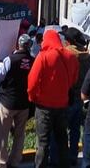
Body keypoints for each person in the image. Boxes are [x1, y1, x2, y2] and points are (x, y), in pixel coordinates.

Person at [27, 29, 78, 168]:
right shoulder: (71, 56)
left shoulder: (43, 56)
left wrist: (32, 97)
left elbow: (32, 82)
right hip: (63, 105)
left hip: (44, 106)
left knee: (43, 142)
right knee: (62, 139)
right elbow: (74, 80)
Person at [0, 34, 34, 168]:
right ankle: (15, 161)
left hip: (8, 103)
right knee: (20, 134)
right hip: (24, 103)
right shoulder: (33, 61)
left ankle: (1, 163)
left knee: (3, 133)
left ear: (17, 45)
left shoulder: (10, 59)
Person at [63, 28, 90, 166]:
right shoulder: (86, 55)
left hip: (67, 96)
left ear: (69, 41)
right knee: (75, 129)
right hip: (80, 96)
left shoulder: (68, 54)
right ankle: (73, 156)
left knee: (61, 129)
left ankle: (60, 157)